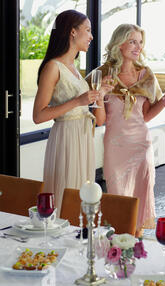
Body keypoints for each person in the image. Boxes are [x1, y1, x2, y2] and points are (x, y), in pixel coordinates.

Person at [33, 10, 111, 213]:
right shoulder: (53, 67)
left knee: (80, 198)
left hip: (83, 138)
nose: (91, 36)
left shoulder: (75, 69)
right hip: (66, 138)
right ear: (73, 32)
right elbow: (38, 115)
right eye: (88, 30)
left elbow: (99, 118)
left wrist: (100, 93)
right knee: (65, 196)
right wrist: (78, 100)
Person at [90, 24, 165, 238]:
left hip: (141, 145)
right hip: (115, 146)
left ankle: (136, 247)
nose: (138, 47)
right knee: (119, 198)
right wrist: (101, 92)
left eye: (140, 42)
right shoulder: (102, 74)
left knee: (140, 199)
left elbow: (147, 115)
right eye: (132, 41)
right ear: (119, 44)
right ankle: (121, 246)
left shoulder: (146, 74)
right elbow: (100, 121)